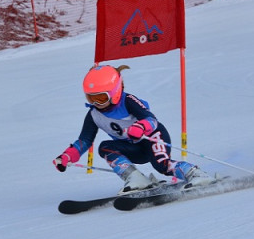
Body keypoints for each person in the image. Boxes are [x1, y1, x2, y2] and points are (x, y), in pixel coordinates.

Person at [53, 64, 216, 194]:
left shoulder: (128, 100)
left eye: (102, 98)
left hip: (153, 138)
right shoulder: (94, 114)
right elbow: (84, 140)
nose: (97, 103)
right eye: (91, 98)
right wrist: (67, 156)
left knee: (162, 165)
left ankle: (196, 175)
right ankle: (136, 179)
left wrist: (140, 126)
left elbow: (151, 120)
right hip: (134, 148)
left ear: (115, 91)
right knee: (105, 147)